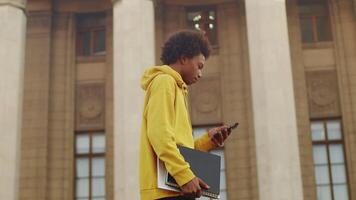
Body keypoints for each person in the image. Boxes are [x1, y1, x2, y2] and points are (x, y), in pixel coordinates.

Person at [139, 30, 232, 200]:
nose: (200, 73)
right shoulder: (164, 82)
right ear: (183, 59)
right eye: (199, 66)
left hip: (176, 189)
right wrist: (184, 175)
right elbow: (159, 135)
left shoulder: (176, 88)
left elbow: (177, 147)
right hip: (165, 193)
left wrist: (207, 141)